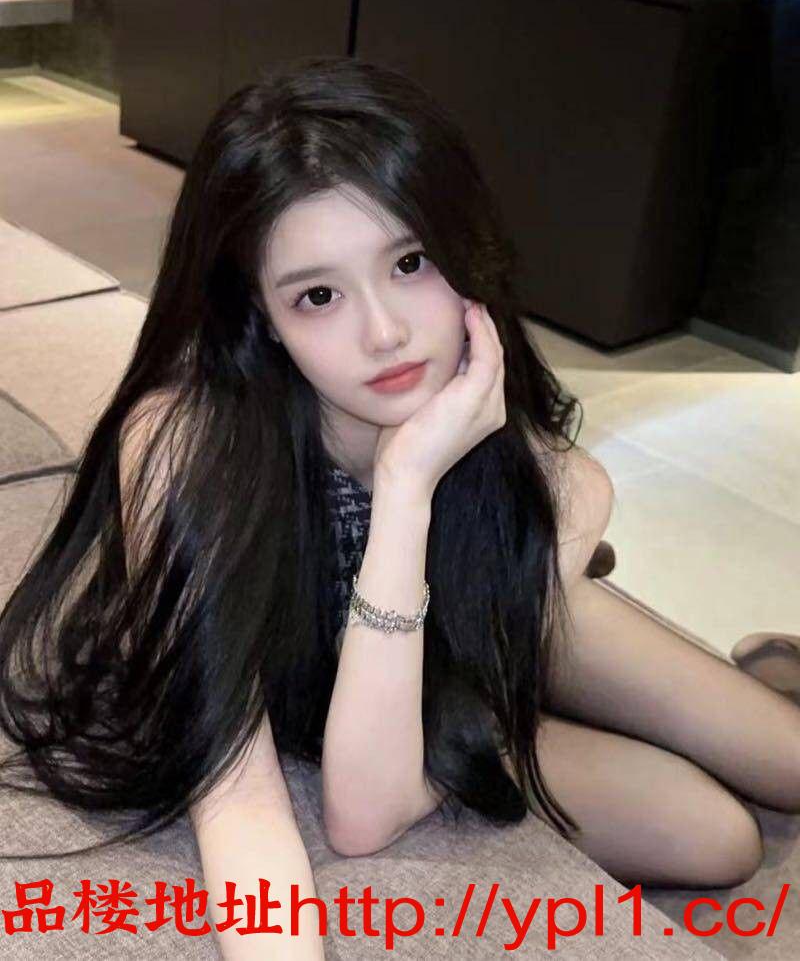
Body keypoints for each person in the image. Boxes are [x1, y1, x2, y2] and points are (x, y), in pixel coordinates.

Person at [0, 56, 798, 961]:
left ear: (465, 251)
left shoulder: (557, 477)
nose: (383, 333)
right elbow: (320, 810)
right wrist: (406, 490)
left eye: (411, 262)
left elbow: (508, 563)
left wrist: (439, 518)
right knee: (716, 836)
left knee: (786, 762)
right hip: (356, 691)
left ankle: (765, 667)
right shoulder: (185, 444)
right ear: (260, 313)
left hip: (458, 651)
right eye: (318, 295)